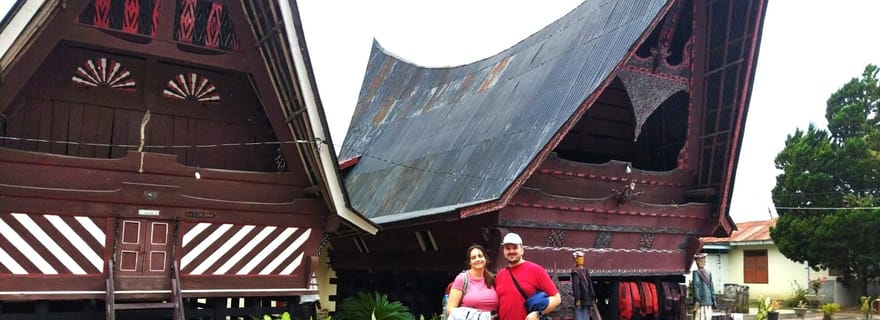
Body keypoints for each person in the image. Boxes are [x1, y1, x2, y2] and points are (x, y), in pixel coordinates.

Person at [495, 233, 560, 320]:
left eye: (515, 248)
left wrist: (538, 314)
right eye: (507, 248)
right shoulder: (500, 275)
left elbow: (556, 298)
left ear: (522, 250)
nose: (511, 251)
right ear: (503, 251)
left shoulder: (536, 270)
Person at [446, 244, 498, 320]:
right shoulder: (462, 279)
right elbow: (450, 309)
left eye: (480, 256)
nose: (478, 259)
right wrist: (477, 317)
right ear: (469, 262)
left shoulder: (492, 279)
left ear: (485, 258)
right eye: (473, 257)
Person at [571, 251, 596, 320]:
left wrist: (592, 295)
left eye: (582, 258)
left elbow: (589, 283)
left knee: (586, 315)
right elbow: (576, 286)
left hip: (587, 297)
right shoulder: (575, 271)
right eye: (579, 258)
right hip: (581, 298)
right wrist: (578, 298)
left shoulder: (585, 270)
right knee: (580, 315)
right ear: (576, 260)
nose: (581, 260)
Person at [691, 253, 714, 320]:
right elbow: (711, 287)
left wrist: (697, 300)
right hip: (708, 301)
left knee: (700, 317)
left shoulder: (696, 273)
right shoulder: (708, 272)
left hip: (701, 302)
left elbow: (696, 286)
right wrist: (713, 299)